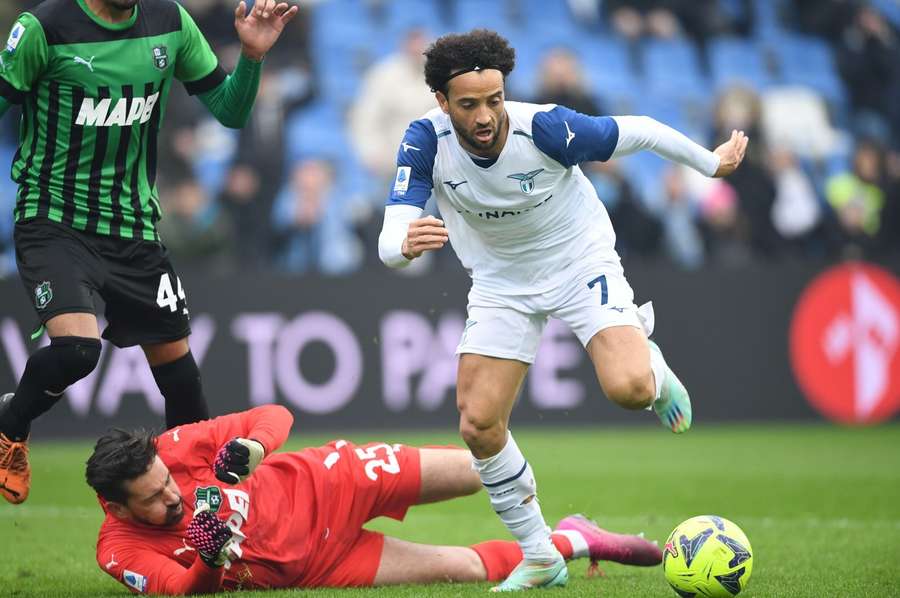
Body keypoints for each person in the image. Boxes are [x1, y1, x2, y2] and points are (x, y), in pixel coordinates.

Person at [377, 29, 747, 590]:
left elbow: (642, 131)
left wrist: (709, 164)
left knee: (629, 390)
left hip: (579, 262)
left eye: (494, 100)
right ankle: (541, 555)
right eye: (469, 104)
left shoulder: (547, 127)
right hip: (501, 282)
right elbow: (391, 236)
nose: (485, 116)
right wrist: (403, 247)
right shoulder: (424, 140)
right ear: (442, 102)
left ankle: (651, 365)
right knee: (478, 424)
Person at [0, 0, 298, 505]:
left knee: (181, 378)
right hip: (54, 218)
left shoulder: (170, 21)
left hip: (133, 226)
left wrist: (251, 55)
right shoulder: (43, 28)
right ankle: (11, 425)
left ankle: (199, 495)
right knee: (77, 350)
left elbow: (230, 111)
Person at [86, 405, 662, 594]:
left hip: (331, 481)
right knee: (461, 567)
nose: (174, 497)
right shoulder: (117, 548)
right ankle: (575, 538)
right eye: (156, 500)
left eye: (168, 481)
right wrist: (210, 561)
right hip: (316, 564)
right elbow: (176, 593)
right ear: (117, 507)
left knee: (477, 470)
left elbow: (275, 415)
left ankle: (551, 533)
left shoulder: (177, 446)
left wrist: (255, 448)